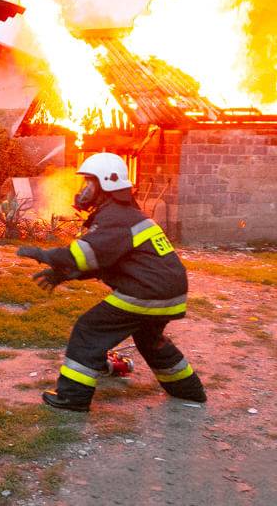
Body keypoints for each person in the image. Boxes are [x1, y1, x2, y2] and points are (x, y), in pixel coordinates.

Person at [17, 152, 206, 412]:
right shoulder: (126, 215)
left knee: (89, 330)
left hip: (145, 292)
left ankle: (72, 397)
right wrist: (64, 274)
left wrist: (45, 255)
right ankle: (190, 391)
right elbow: (104, 261)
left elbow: (84, 254)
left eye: (89, 184)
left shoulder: (115, 218)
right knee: (150, 341)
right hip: (169, 292)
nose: (84, 190)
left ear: (107, 185)